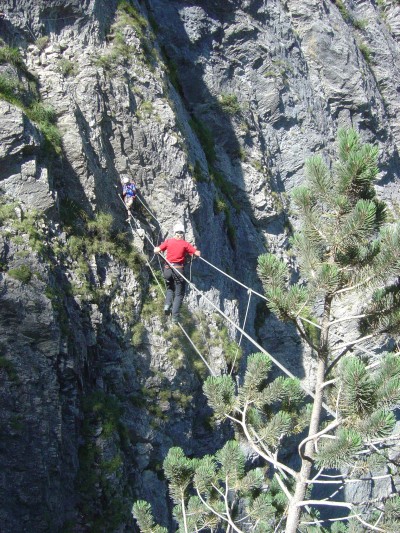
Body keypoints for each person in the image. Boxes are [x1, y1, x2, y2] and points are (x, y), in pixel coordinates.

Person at [154, 223, 201, 323]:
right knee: (179, 294)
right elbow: (197, 253)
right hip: (178, 270)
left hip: (167, 270)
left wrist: (158, 249)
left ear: (174, 233)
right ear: (183, 234)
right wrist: (196, 251)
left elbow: (157, 250)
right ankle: (175, 317)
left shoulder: (168, 242)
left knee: (170, 288)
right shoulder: (185, 244)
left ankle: (167, 306)